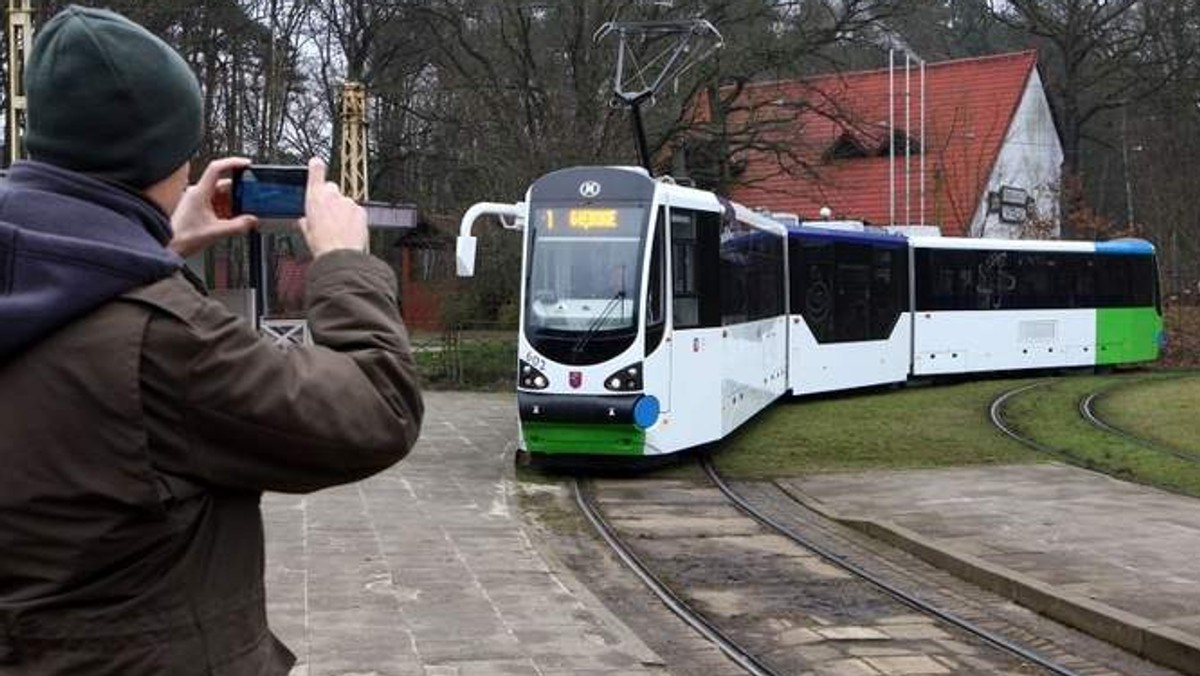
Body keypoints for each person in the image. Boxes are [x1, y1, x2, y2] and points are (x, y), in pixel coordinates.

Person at [0, 6, 423, 675]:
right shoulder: (159, 339)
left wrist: (154, 244)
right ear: (167, 160)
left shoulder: (30, 284)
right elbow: (377, 410)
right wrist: (343, 262)